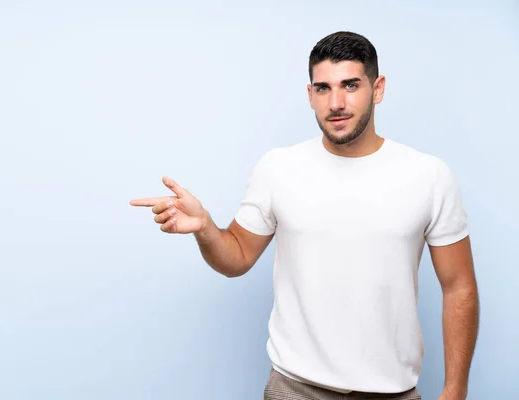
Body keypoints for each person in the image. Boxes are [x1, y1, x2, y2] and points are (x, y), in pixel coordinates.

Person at [130, 31, 479, 400]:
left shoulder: (429, 176)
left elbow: (460, 287)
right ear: (310, 95)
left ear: (377, 89)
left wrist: (455, 391)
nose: (337, 102)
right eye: (323, 88)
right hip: (294, 388)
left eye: (350, 85)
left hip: (392, 391)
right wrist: (204, 228)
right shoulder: (279, 168)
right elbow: (237, 257)